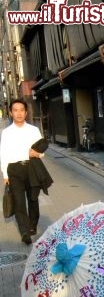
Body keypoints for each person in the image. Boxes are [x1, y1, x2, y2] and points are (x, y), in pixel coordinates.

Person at [0, 99, 46, 244]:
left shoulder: (34, 130)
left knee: (33, 199)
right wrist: (5, 174)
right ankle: (24, 232)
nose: (19, 113)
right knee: (19, 202)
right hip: (14, 169)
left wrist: (37, 154)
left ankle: (33, 225)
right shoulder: (6, 133)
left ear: (26, 113)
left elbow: (42, 150)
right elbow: (3, 153)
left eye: (21, 110)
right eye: (15, 110)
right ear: (11, 113)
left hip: (32, 167)